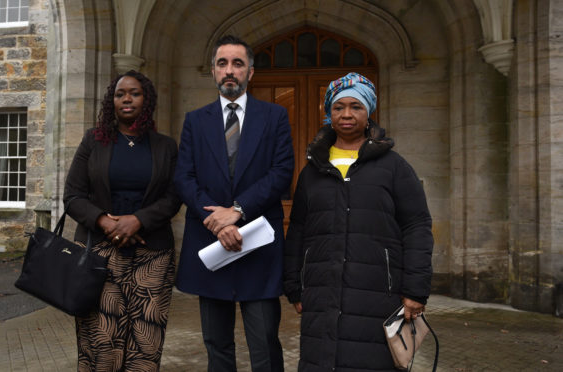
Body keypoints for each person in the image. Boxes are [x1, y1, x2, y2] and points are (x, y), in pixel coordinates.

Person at [283, 72, 434, 371]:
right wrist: (293, 286)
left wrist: (415, 290)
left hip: (379, 294)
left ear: (369, 113)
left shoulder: (394, 167)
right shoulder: (312, 171)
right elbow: (298, 229)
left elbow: (417, 226)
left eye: (356, 107)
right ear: (329, 113)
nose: (347, 114)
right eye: (339, 107)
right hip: (321, 293)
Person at [174, 35, 295, 372]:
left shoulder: (275, 117)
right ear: (213, 71)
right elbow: (184, 178)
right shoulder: (195, 122)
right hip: (210, 243)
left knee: (265, 344)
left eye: (238, 64)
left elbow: (282, 171)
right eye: (222, 63)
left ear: (250, 73)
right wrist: (216, 220)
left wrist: (238, 210)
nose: (230, 71)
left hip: (257, 246)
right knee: (216, 345)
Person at [63, 70, 181, 371]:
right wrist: (105, 221)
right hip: (99, 254)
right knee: (101, 340)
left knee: (146, 342)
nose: (126, 99)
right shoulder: (94, 141)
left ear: (147, 99)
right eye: (120, 94)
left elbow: (173, 197)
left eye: (134, 93)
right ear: (111, 101)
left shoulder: (165, 146)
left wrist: (138, 220)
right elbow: (73, 195)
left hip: (153, 256)